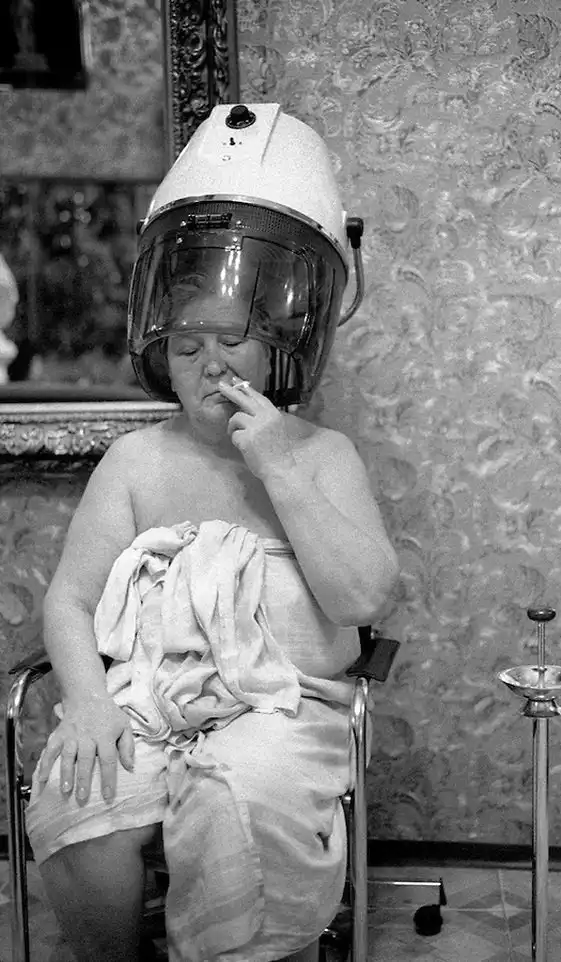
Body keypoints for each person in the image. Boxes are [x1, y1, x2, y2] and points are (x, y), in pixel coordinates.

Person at [25, 103, 399, 962]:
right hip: (150, 699)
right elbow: (70, 602)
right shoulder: (135, 460)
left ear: (276, 347)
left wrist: (278, 466)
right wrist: (89, 704)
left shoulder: (323, 454)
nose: (212, 365)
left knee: (238, 803)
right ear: (161, 351)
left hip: (286, 707)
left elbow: (364, 597)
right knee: (78, 797)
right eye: (188, 346)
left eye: (233, 340)